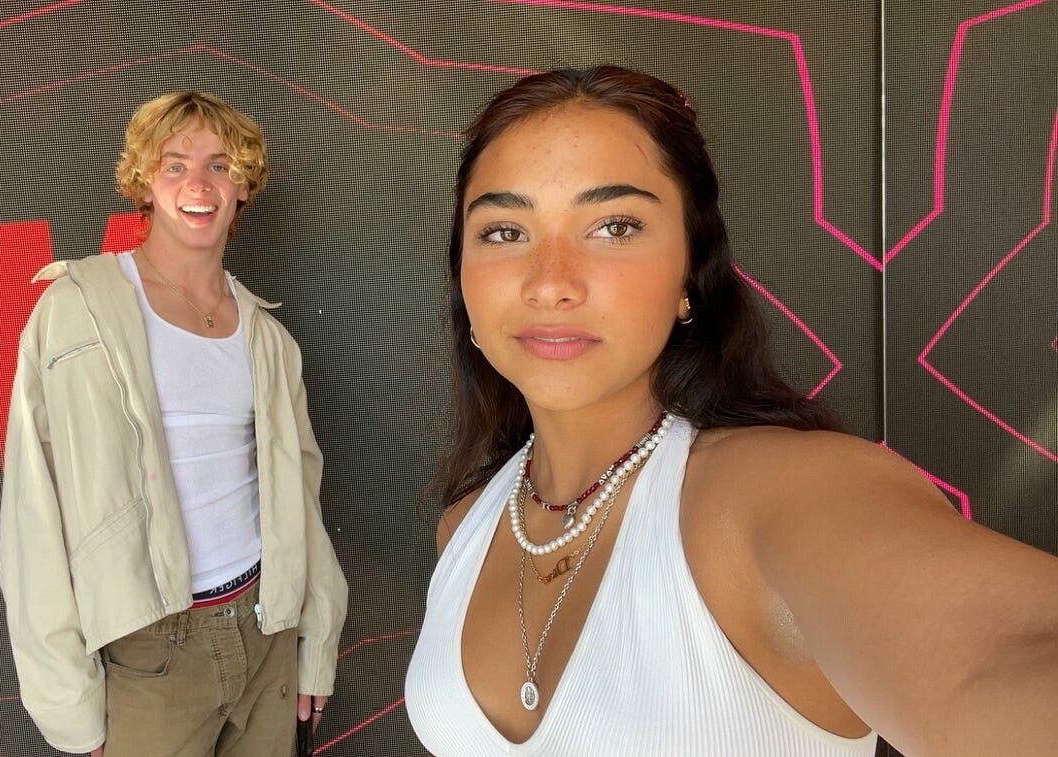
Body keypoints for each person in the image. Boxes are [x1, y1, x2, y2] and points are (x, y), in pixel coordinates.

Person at [404, 66, 1058, 756]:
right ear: (462, 276)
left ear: (690, 271)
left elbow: (999, 664)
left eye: (615, 226)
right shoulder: (465, 526)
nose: (550, 284)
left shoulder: (780, 493)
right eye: (505, 232)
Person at [0, 91, 347, 757]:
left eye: (220, 165)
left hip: (267, 632)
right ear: (144, 182)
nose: (199, 185)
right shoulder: (76, 310)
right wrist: (67, 702)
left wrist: (316, 638)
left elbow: (300, 499)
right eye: (175, 164)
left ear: (243, 186)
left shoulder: (267, 336)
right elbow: (32, 512)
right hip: (149, 651)